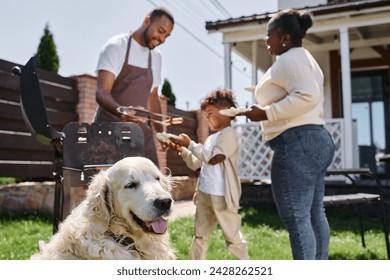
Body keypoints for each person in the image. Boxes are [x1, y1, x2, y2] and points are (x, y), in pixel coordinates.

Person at [241, 9, 335, 260]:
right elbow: (301, 92)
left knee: (297, 217)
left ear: (284, 37)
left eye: (269, 34)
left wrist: (266, 113)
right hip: (316, 138)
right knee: (315, 214)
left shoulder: (289, 59)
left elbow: (306, 96)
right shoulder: (304, 58)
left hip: (298, 141)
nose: (266, 39)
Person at [164, 88, 249, 260]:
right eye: (205, 114)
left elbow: (213, 158)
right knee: (200, 236)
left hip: (222, 197)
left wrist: (190, 145)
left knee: (233, 238)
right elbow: (197, 163)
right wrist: (182, 150)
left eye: (210, 113)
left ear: (226, 113)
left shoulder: (229, 135)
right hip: (205, 195)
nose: (207, 117)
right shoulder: (210, 139)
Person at [93, 7, 174, 167]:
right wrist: (121, 111)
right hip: (109, 132)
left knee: (151, 186)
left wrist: (161, 132)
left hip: (140, 135)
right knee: (109, 189)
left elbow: (153, 99)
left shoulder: (156, 57)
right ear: (147, 21)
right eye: (160, 30)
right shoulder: (117, 46)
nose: (162, 39)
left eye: (167, 36)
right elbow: (101, 92)